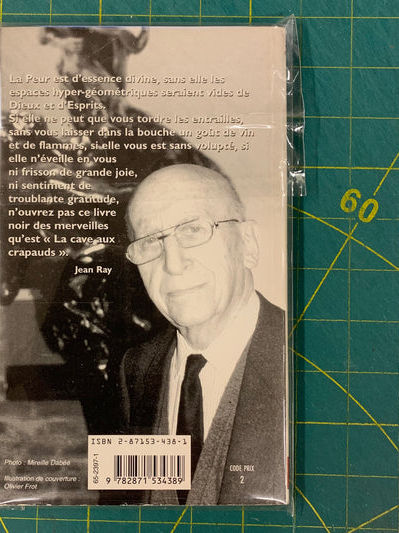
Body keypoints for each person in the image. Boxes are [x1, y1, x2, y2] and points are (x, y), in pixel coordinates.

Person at [111, 164, 287, 505]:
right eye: (150, 242)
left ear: (248, 243)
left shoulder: (306, 358)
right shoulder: (136, 368)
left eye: (193, 229)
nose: (173, 264)